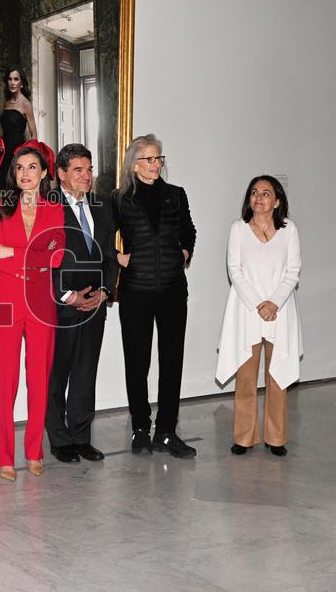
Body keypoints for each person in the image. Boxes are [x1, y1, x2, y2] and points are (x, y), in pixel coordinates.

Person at [112, 134, 197, 458]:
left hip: (173, 291)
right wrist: (117, 257)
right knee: (137, 362)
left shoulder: (176, 195)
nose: (157, 163)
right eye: (150, 158)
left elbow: (188, 230)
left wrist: (184, 253)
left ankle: (166, 431)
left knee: (171, 361)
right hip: (135, 292)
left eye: (159, 158)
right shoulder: (119, 199)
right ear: (135, 164)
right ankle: (140, 429)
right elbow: (102, 236)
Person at [0, 146, 64, 481]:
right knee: (4, 381)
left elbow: (56, 256)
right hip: (6, 302)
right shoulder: (0, 206)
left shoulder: (55, 209)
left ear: (45, 173)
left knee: (38, 379)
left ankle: (34, 450)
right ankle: (4, 455)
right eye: (19, 168)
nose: (25, 174)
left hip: (41, 304)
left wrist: (15, 254)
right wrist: (32, 260)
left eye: (33, 167)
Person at [216, 176, 302, 456]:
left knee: (277, 376)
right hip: (246, 310)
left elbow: (293, 271)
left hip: (280, 310)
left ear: (277, 201)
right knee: (246, 376)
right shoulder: (238, 229)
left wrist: (274, 303)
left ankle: (276, 438)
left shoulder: (289, 231)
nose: (259, 197)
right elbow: (234, 270)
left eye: (266, 193)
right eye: (254, 192)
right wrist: (258, 304)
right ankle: (244, 437)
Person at [46, 143, 119, 464]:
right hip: (59, 305)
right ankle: (59, 439)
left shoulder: (103, 207)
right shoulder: (47, 205)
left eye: (89, 169)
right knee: (56, 373)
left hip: (95, 305)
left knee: (86, 372)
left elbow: (109, 254)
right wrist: (67, 295)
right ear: (61, 174)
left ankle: (81, 437)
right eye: (78, 170)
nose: (86, 176)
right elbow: (41, 258)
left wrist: (104, 291)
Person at [0, 67, 40, 192]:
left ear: (22, 83)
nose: (12, 83)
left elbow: (34, 134)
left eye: (16, 79)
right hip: (3, 151)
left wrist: (27, 157)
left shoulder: (26, 104)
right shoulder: (6, 103)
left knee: (13, 186)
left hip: (17, 152)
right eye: (10, 79)